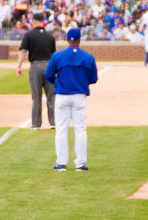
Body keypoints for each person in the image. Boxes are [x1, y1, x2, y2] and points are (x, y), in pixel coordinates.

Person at [44, 28, 98, 171]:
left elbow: (48, 75)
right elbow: (94, 78)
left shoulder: (57, 56)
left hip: (62, 95)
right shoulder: (88, 57)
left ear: (67, 40)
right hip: (79, 95)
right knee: (80, 129)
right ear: (79, 40)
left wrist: (58, 83)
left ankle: (61, 163)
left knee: (61, 129)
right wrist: (81, 81)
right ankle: (80, 163)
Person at [16, 12, 56, 129]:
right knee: (51, 96)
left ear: (33, 22)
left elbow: (23, 51)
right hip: (49, 66)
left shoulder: (29, 35)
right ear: (43, 21)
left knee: (36, 96)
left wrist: (19, 66)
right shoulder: (50, 36)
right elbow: (54, 54)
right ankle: (53, 122)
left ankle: (36, 124)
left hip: (35, 66)